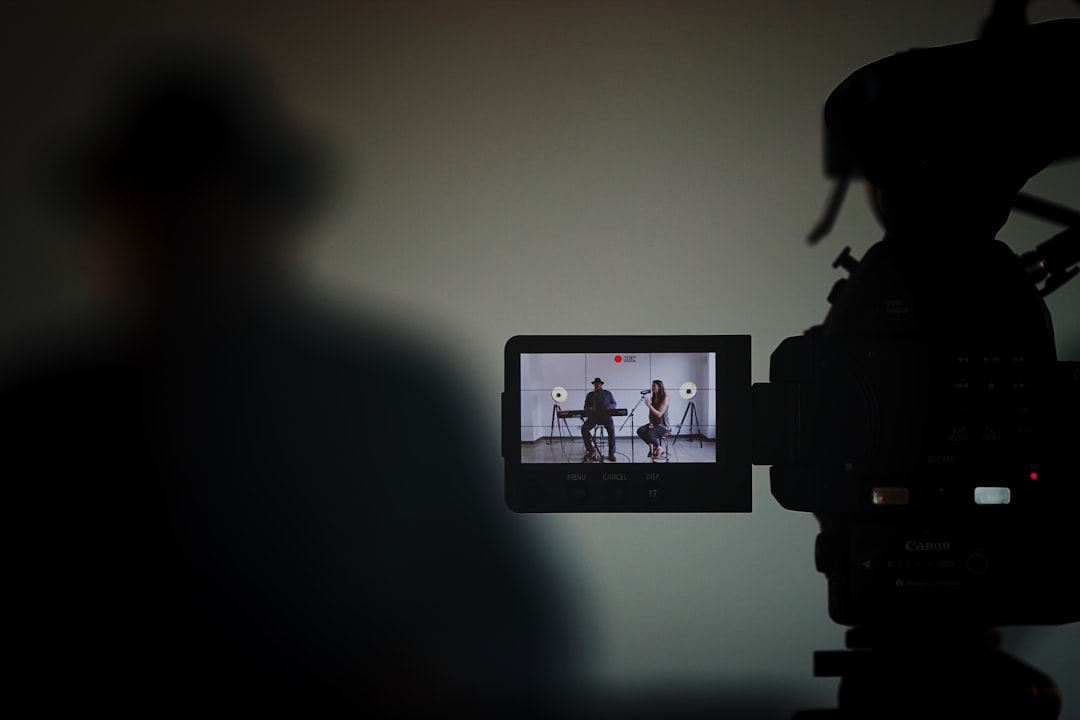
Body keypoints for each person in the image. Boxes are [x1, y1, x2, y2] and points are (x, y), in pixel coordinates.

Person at [3, 46, 582, 716]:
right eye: (152, 209)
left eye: (206, 209)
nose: (181, 237)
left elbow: (515, 621)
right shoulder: (38, 411)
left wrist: (439, 677)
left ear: (269, 220)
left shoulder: (397, 395)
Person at [581, 377, 617, 462]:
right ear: (594, 385)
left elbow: (614, 403)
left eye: (598, 383)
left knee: (611, 430)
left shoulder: (608, 393)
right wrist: (588, 408)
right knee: (584, 429)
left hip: (606, 418)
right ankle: (591, 449)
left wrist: (610, 407)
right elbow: (585, 406)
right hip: (593, 417)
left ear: (601, 384)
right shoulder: (590, 395)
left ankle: (611, 453)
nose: (597, 385)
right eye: (595, 384)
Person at [637, 379, 671, 460]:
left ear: (660, 387)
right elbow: (651, 413)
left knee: (649, 433)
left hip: (663, 425)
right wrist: (651, 422)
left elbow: (659, 414)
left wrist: (649, 405)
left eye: (654, 386)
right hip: (655, 424)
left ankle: (659, 448)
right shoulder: (653, 398)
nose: (652, 388)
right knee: (640, 430)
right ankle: (651, 446)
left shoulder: (664, 398)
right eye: (652, 386)